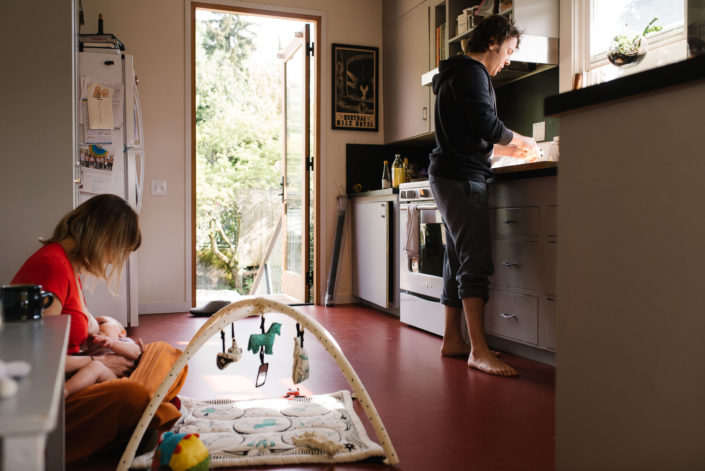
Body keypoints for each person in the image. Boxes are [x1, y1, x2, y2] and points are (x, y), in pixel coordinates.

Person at [11, 194, 187, 463]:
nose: (112, 260)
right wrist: (96, 361)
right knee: (132, 394)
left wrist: (108, 331)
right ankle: (149, 411)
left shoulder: (69, 265)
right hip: (54, 396)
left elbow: (84, 326)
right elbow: (34, 361)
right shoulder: (52, 266)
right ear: (102, 235)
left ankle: (147, 414)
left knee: (167, 355)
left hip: (79, 374)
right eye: (117, 249)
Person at [429, 15, 540, 377]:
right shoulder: (472, 73)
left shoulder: (454, 73)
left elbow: (470, 138)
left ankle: (453, 339)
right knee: (474, 260)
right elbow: (487, 126)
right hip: (462, 180)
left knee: (456, 257)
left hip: (450, 173)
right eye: (508, 50)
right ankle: (478, 350)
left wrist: (509, 151)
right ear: (493, 41)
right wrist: (522, 140)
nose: (507, 60)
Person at [65, 315, 143, 397]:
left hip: (112, 379)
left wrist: (112, 343)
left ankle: (65, 391)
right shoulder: (87, 352)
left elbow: (136, 352)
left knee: (96, 366)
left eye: (101, 323)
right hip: (86, 386)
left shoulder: (123, 341)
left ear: (122, 333)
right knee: (94, 366)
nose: (95, 329)